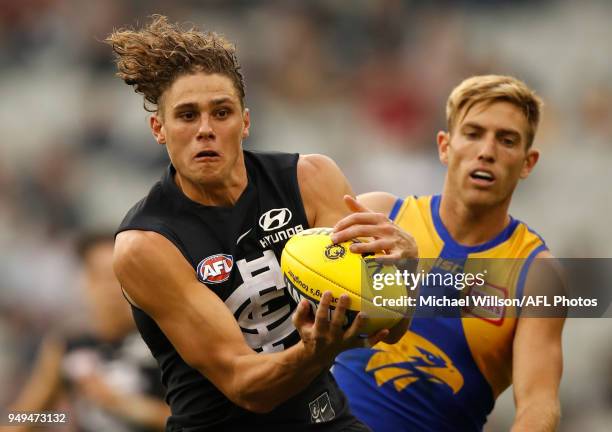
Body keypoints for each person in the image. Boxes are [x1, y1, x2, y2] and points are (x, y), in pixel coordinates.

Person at [108, 16, 414, 431]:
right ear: (158, 129)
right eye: (186, 115)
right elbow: (246, 386)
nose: (205, 129)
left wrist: (398, 276)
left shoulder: (311, 179)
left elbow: (388, 327)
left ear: (245, 122)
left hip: (325, 419)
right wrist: (316, 351)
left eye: (221, 112)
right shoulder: (147, 243)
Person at [332, 75, 565, 431]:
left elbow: (538, 404)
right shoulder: (377, 215)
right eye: (473, 134)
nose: (487, 151)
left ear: (528, 162)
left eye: (506, 140)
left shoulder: (537, 273)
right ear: (444, 146)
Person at [8, 232, 169, 432]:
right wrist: (59, 420)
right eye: (101, 277)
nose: (111, 289)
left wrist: (123, 404)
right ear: (85, 281)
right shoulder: (70, 343)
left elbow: (195, 418)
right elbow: (25, 414)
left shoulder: (165, 338)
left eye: (120, 276)